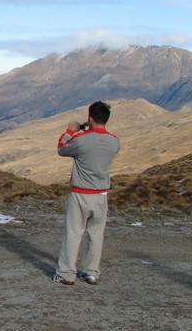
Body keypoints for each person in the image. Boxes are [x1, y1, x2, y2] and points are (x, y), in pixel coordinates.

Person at [53, 101, 120, 286]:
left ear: (90, 118)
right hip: (101, 195)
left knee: (73, 233)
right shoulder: (114, 142)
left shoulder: (81, 140)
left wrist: (70, 131)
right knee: (96, 234)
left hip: (80, 194)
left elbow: (62, 148)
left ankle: (66, 273)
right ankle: (91, 272)